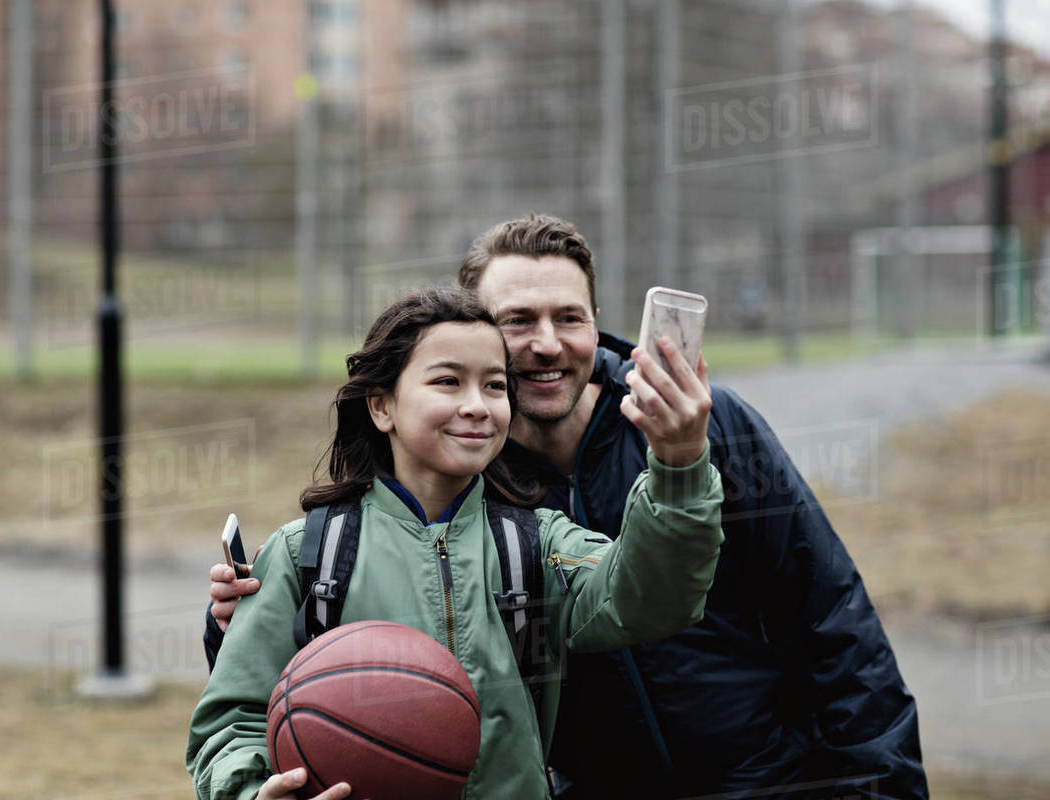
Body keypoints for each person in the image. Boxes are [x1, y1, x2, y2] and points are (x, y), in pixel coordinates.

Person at [207, 215, 929, 799]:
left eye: (569, 317)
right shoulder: (353, 533)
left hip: (763, 780)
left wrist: (678, 462)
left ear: (597, 322)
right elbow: (266, 697)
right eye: (517, 321)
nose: (546, 344)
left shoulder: (683, 437)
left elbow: (828, 616)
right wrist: (238, 637)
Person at [188, 287, 725, 799]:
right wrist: (254, 791)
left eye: (494, 386)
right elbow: (231, 723)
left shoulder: (538, 543)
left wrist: (678, 465)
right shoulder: (308, 551)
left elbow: (649, 598)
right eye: (448, 382)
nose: (477, 405)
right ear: (382, 407)